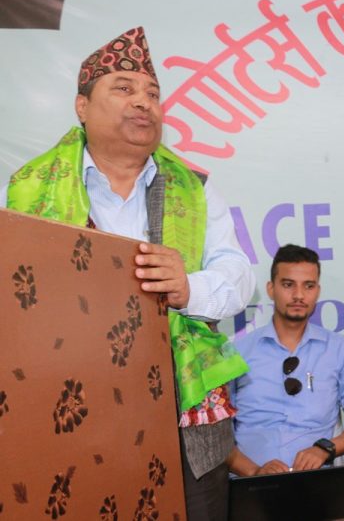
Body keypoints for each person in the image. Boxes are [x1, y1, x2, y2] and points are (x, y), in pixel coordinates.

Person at [2, 27, 256, 521]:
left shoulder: (194, 190)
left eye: (153, 94)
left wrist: (188, 288)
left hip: (183, 413)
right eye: (124, 88)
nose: (144, 102)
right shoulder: (28, 190)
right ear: (82, 106)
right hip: (68, 405)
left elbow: (238, 274)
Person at [228, 244, 344, 476]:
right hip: (251, 483)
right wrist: (255, 471)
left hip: (316, 480)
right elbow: (217, 435)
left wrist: (325, 449)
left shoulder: (339, 349)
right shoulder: (236, 353)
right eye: (288, 285)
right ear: (271, 289)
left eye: (308, 286)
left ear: (318, 291)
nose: (298, 295)